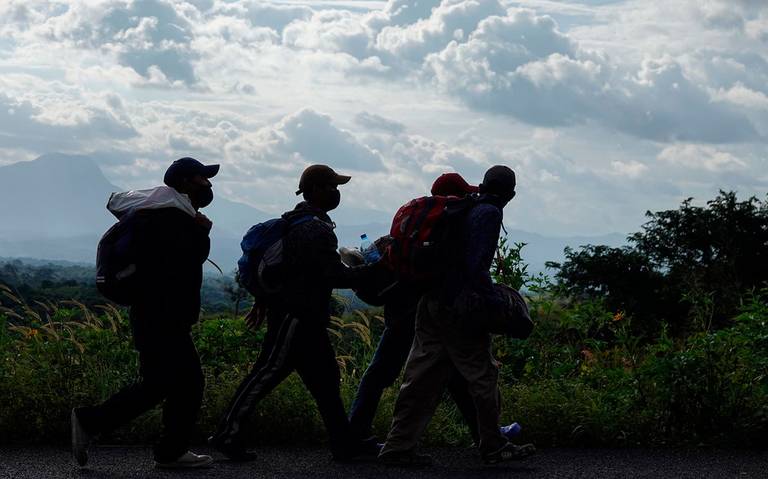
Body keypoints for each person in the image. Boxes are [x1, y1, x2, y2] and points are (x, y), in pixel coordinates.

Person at [210, 164, 377, 462]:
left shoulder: (302, 223)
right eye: (331, 187)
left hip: (304, 317)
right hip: (295, 318)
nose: (336, 193)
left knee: (326, 381)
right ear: (314, 190)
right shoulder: (313, 228)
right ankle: (226, 434)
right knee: (265, 375)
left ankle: (343, 444)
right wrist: (373, 270)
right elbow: (332, 275)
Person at [347, 172, 521, 446]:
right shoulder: (454, 220)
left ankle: (485, 436)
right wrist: (494, 303)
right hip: (420, 308)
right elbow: (473, 268)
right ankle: (358, 435)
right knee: (393, 371)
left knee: (445, 375)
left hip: (407, 304)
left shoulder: (422, 222)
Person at [379, 165, 535, 466]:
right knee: (483, 376)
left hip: (431, 301)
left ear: (481, 184)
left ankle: (398, 445)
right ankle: (493, 445)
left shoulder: (461, 208)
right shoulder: (489, 213)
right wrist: (497, 304)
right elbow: (476, 269)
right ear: (511, 195)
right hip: (458, 308)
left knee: (420, 376)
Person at [71, 157, 219, 469]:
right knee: (186, 382)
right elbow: (179, 263)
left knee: (164, 383)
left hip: (152, 315)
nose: (208, 183)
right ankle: (95, 422)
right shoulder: (172, 218)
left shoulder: (165, 214)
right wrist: (201, 232)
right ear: (184, 183)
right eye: (202, 178)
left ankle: (165, 448)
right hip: (163, 317)